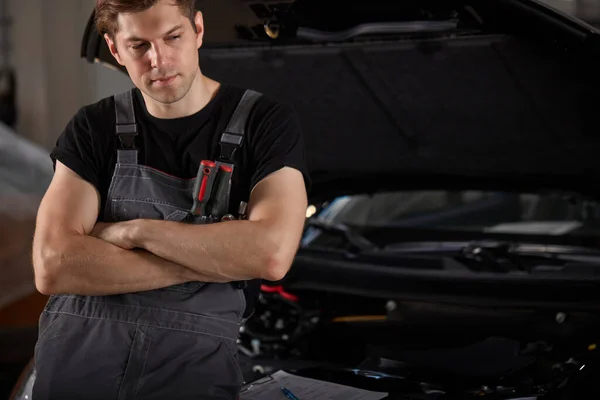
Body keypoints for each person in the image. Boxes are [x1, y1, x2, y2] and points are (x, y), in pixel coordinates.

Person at [30, 0, 310, 398]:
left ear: (197, 29)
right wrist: (212, 264)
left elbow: (270, 255)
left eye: (172, 37)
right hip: (74, 379)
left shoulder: (265, 124)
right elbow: (53, 265)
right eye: (138, 46)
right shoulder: (93, 127)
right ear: (114, 49)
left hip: (189, 382)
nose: (158, 59)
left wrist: (133, 231)